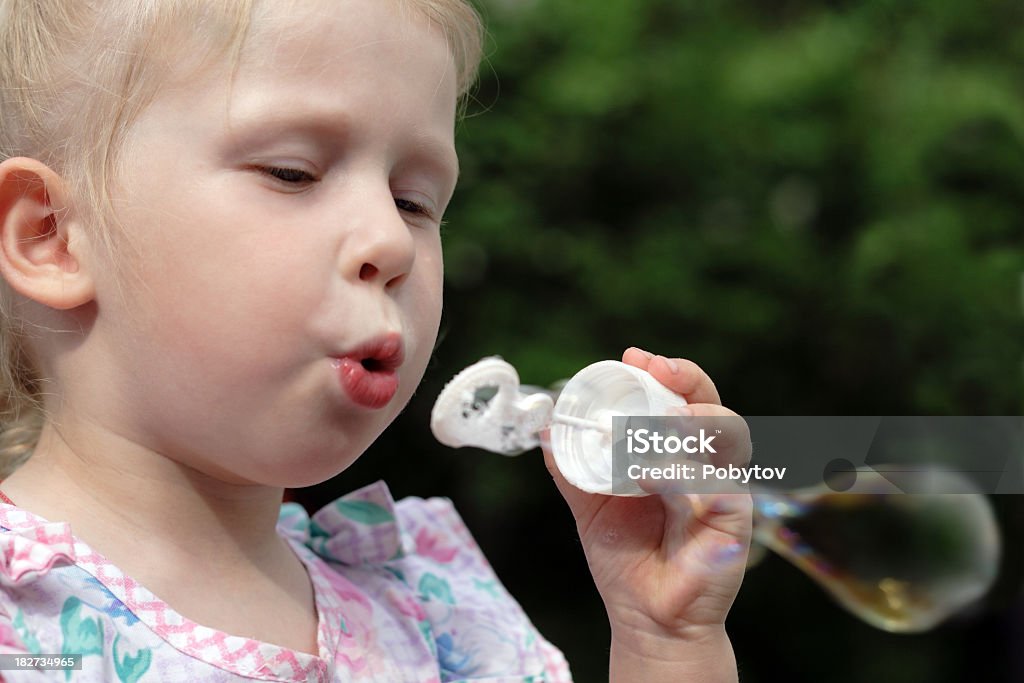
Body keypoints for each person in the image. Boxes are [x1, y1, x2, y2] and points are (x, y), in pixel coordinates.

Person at [0, 0, 751, 680]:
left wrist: (664, 641)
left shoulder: (441, 610)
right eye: (293, 172)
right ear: (53, 237)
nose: (391, 241)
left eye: (415, 201)